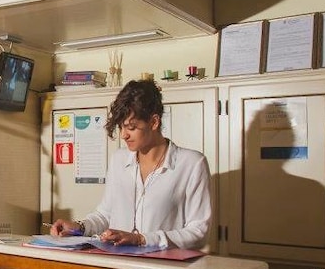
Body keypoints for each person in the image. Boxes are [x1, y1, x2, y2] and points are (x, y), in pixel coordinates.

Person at [50, 79, 212, 250]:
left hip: (164, 265)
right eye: (121, 127)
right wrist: (79, 227)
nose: (124, 135)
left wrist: (141, 239)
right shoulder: (118, 160)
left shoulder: (192, 164)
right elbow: (105, 215)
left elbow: (199, 232)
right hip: (118, 262)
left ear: (154, 122)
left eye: (131, 128)